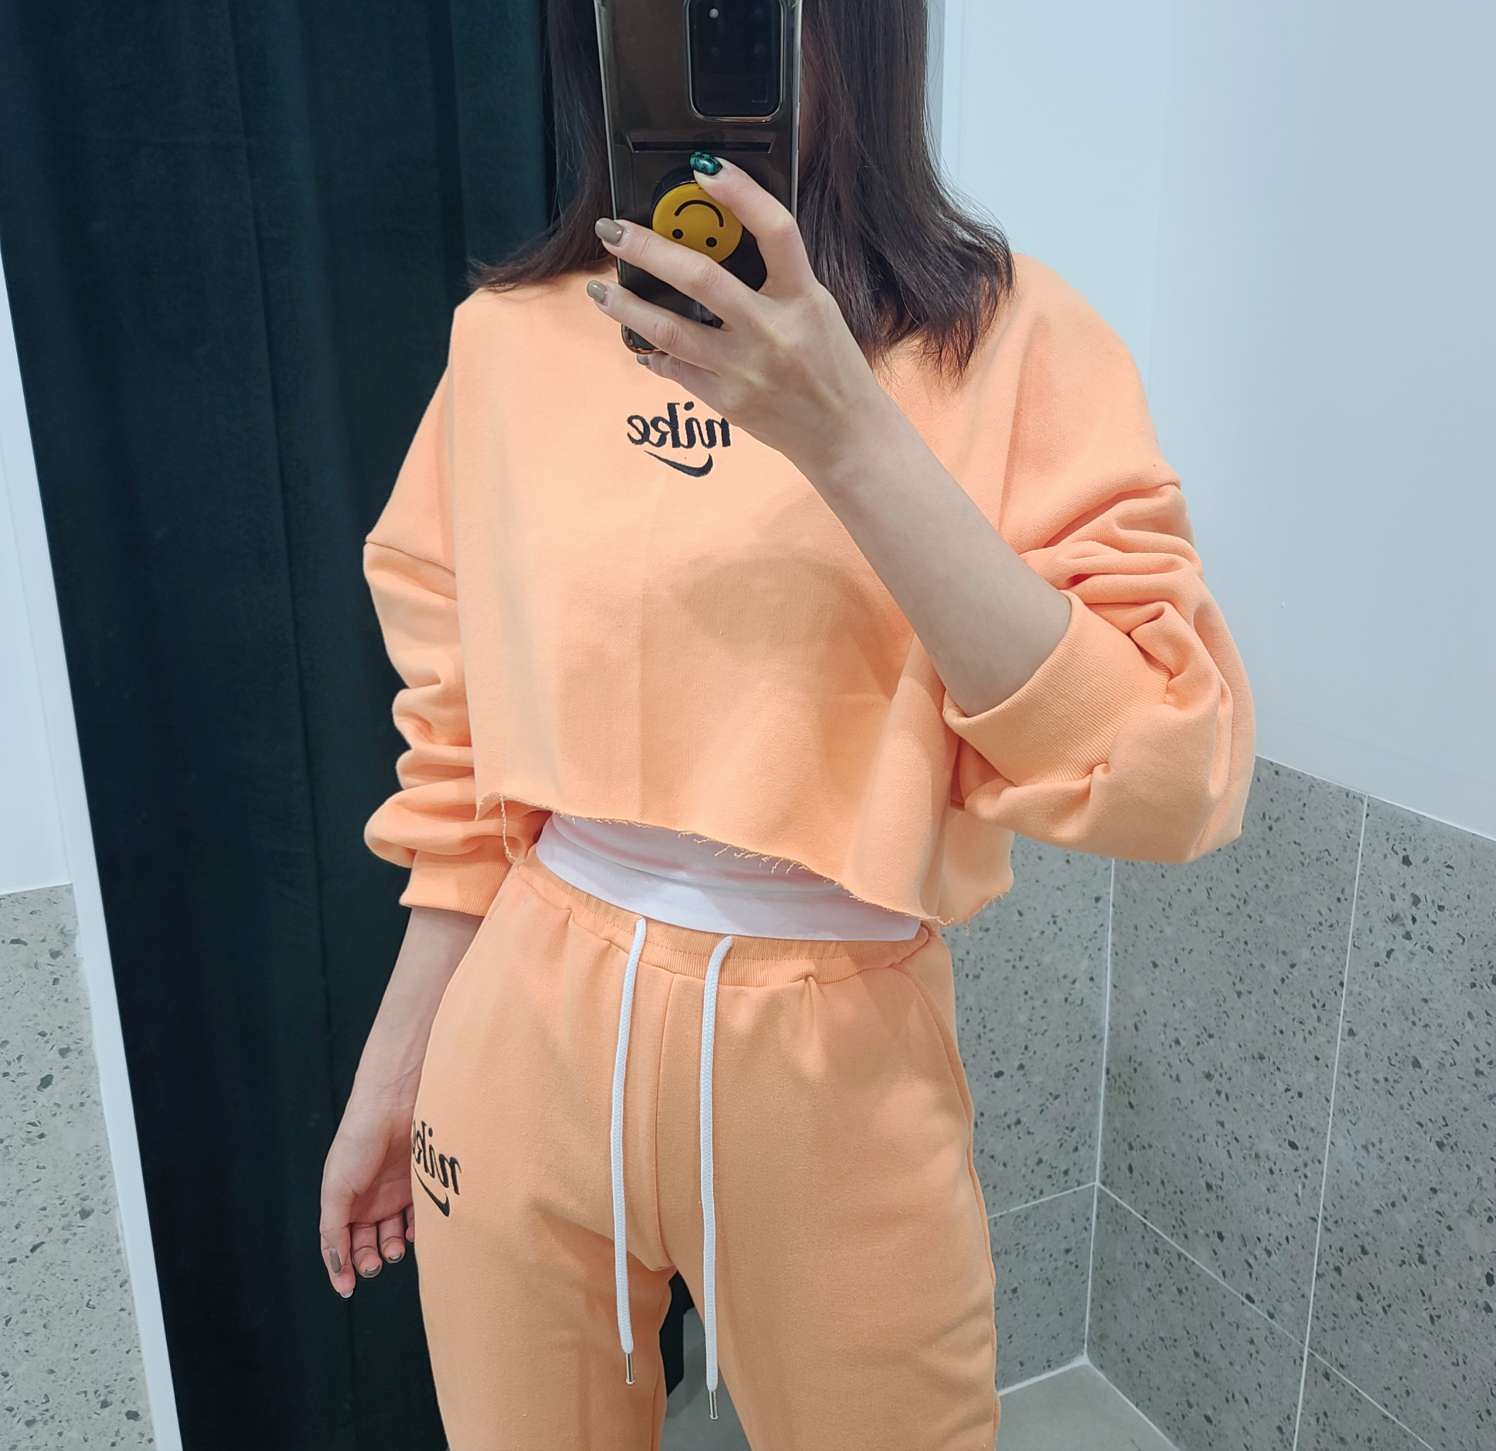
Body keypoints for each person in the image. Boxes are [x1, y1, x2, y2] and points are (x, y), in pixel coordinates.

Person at [318, 3, 1255, 1447]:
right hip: (519, 1032)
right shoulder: (510, 342)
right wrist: (395, 1069)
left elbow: (1173, 773)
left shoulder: (1008, 343)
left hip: (837, 1059)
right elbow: (458, 758)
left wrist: (843, 428)